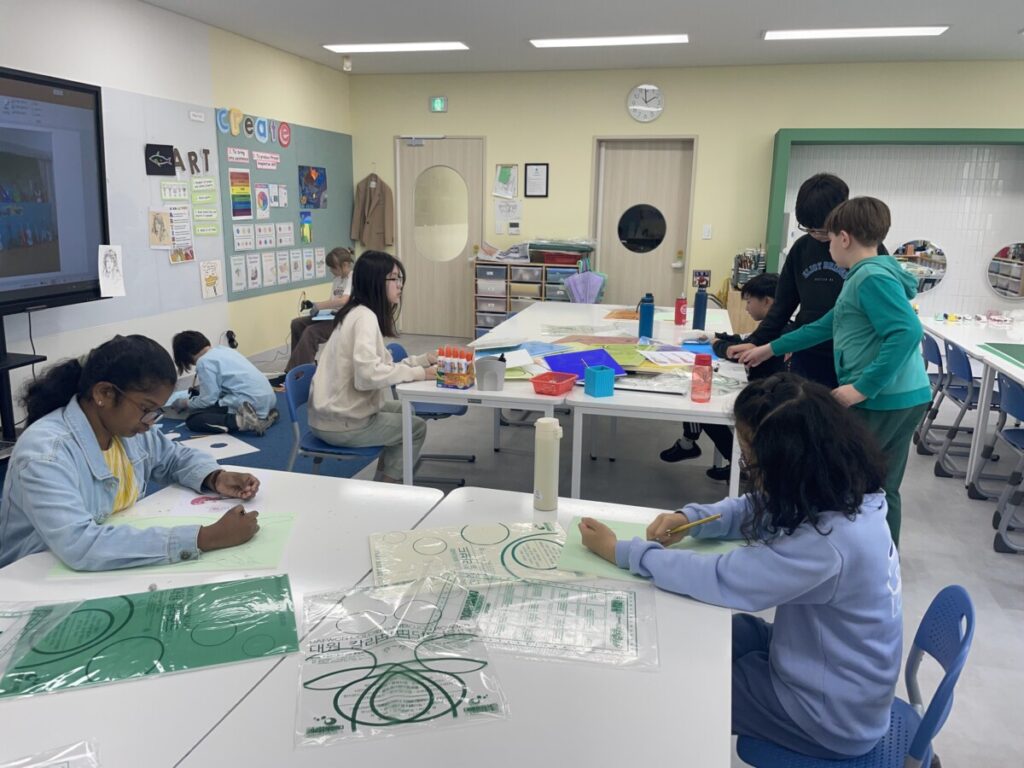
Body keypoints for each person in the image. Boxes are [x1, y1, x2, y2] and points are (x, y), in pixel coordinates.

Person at [580, 373, 900, 760]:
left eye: (751, 461)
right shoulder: (845, 493)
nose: (748, 469)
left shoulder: (831, 545)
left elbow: (723, 579)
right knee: (700, 632)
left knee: (675, 686)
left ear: (789, 466)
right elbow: (758, 507)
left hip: (829, 716)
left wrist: (622, 551)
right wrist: (691, 518)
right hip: (828, 668)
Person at [739, 198, 930, 547]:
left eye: (828, 240)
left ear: (844, 238)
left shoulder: (870, 277)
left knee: (859, 482)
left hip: (883, 399)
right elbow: (826, 325)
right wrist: (769, 348)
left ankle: (864, 558)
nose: (826, 247)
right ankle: (883, 558)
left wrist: (861, 388)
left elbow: (906, 332)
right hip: (904, 395)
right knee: (881, 484)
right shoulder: (867, 274)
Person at [0, 335, 262, 571]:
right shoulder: (45, 453)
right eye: (146, 409)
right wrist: (205, 538)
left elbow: (173, 458)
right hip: (34, 574)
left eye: (157, 411)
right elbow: (79, 544)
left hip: (99, 561)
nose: (151, 422)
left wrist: (215, 477)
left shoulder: (126, 429)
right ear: (104, 394)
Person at [727, 173, 886, 388]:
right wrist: (756, 342)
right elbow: (782, 306)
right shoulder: (802, 248)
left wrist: (866, 385)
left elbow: (898, 331)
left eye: (821, 230)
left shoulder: (869, 253)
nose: (815, 235)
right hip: (807, 348)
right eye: (808, 228)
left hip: (853, 356)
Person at [308, 250, 436, 482]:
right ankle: (387, 488)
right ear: (376, 281)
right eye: (394, 279)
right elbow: (368, 376)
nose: (400, 285)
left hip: (332, 413)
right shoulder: (365, 318)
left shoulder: (357, 312)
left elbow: (383, 365)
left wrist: (423, 360)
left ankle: (382, 482)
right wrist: (420, 373)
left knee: (405, 411)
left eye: (400, 279)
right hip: (340, 422)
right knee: (415, 427)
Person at [660, 273, 786, 480]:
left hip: (763, 395)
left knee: (703, 403)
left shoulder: (778, 328)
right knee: (698, 386)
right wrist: (715, 336)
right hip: (761, 385)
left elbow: (738, 352)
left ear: (767, 301)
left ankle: (740, 464)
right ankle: (689, 442)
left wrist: (717, 344)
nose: (746, 308)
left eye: (749, 302)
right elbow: (746, 339)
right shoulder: (776, 324)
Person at [171, 331, 279, 435]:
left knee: (194, 420)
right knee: (218, 402)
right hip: (269, 399)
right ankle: (264, 416)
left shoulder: (203, 362)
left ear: (186, 355)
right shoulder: (224, 350)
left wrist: (186, 403)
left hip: (250, 402)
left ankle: (243, 422)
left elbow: (207, 400)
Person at [286, 247, 354, 372]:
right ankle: (297, 367)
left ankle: (301, 372)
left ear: (345, 265)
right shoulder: (337, 280)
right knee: (296, 324)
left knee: (311, 332)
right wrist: (316, 307)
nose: (331, 270)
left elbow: (344, 300)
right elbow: (332, 302)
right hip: (332, 315)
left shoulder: (353, 277)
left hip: (344, 319)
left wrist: (319, 305)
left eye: (333, 267)